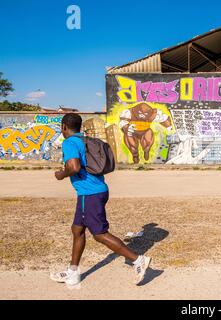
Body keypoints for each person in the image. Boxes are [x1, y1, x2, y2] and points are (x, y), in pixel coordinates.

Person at [50, 113, 150, 286]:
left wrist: (61, 174)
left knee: (100, 234)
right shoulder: (85, 140)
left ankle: (137, 260)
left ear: (64, 126)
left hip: (89, 195)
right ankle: (73, 272)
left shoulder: (69, 143)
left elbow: (73, 167)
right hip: (97, 191)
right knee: (77, 229)